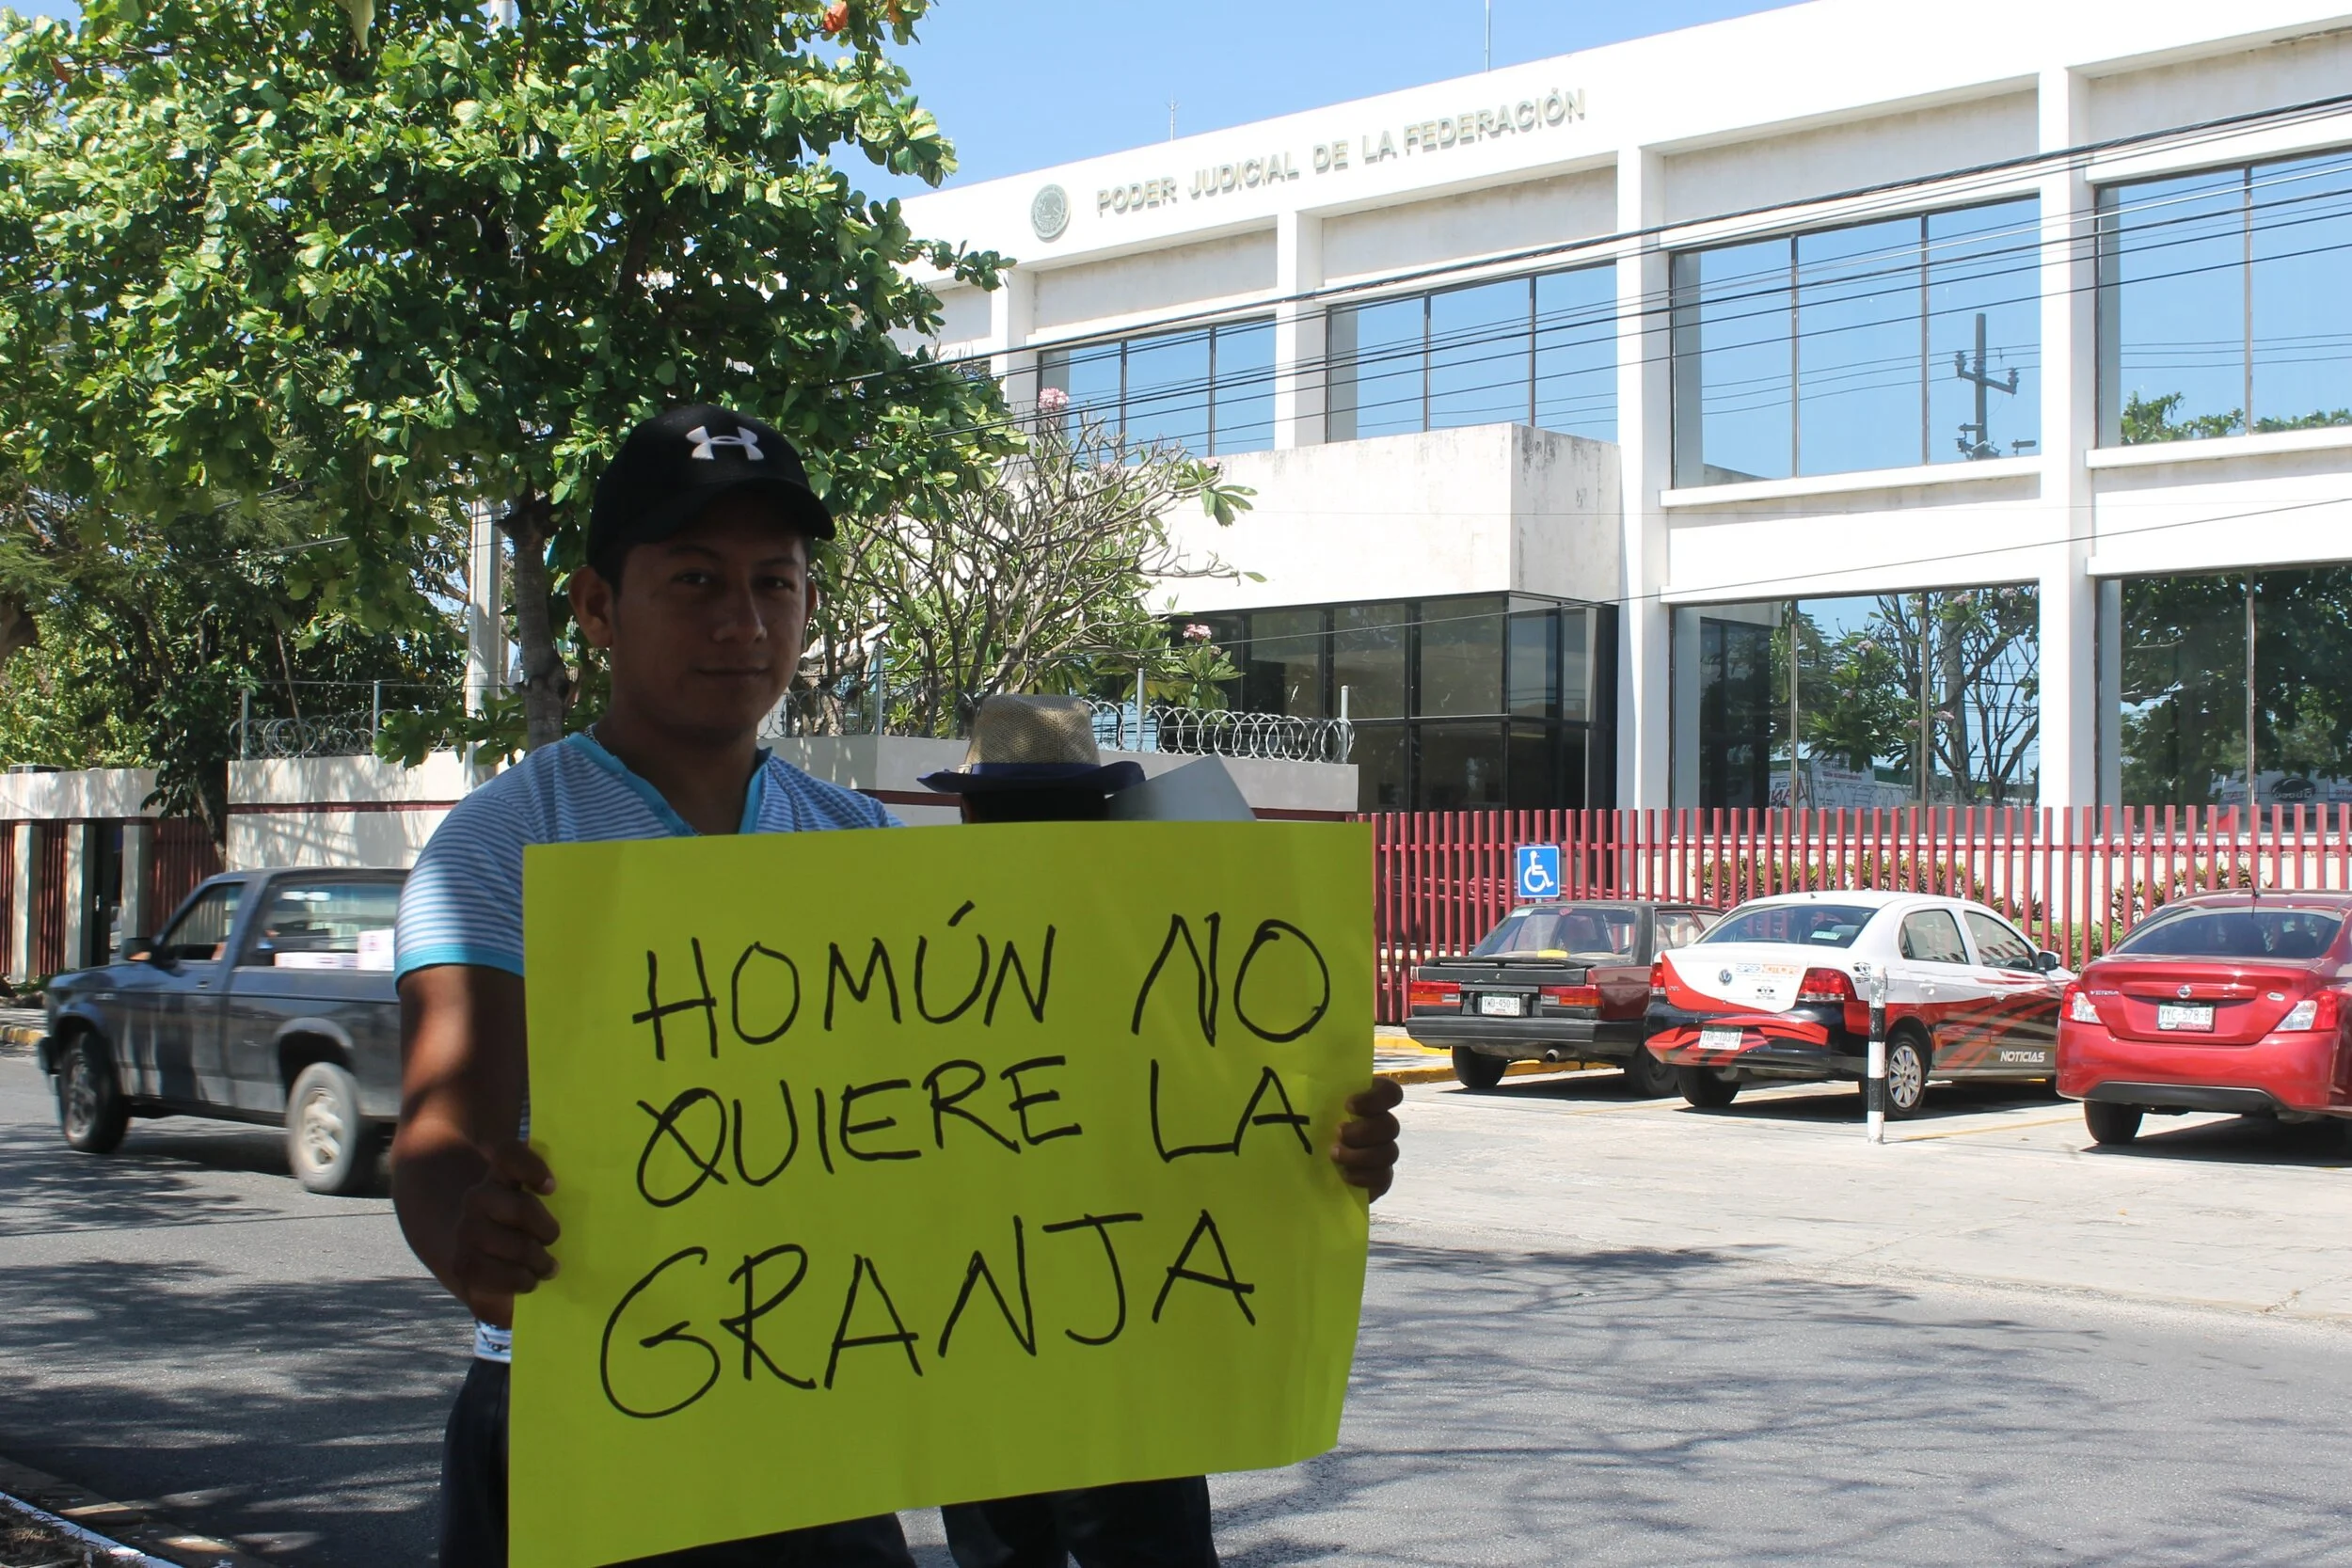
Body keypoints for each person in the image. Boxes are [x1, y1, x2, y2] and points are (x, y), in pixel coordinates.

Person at [389, 403, 1403, 1566]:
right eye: (694, 580)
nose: (742, 620)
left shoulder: (854, 842)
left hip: (817, 1417)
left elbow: (1004, 1134)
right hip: (584, 1417)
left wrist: (1292, 1147)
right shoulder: (498, 846)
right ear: (596, 607)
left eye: (776, 583)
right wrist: (467, 1236)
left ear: (810, 609)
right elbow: (439, 1133)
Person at [916, 699, 1406, 1568]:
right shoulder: (909, 946)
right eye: (1014, 814)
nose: (1033, 837)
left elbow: (1273, 1119)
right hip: (1007, 1335)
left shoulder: (1182, 946)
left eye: (1055, 813)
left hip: (1106, 1338)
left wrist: (1348, 1145)